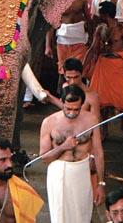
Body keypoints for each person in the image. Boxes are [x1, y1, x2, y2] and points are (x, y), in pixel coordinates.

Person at [39, 85, 105, 223]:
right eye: (68, 109)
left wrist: (100, 183)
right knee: (60, 215)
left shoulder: (91, 120)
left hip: (82, 169)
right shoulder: (49, 122)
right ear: (62, 103)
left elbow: (98, 152)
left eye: (76, 109)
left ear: (82, 105)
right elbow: (44, 158)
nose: (72, 113)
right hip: (59, 170)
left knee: (83, 214)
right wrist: (63, 147)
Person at [89, 1, 123, 136]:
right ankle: (104, 130)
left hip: (118, 66)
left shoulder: (122, 29)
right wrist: (98, 37)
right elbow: (94, 49)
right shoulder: (100, 29)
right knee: (102, 101)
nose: (98, 17)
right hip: (103, 65)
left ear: (106, 15)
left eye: (101, 14)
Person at [46, 0, 91, 78]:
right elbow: (51, 24)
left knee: (79, 70)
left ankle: (78, 90)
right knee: (63, 71)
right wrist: (47, 46)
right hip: (63, 41)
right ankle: (63, 90)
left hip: (80, 40)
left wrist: (91, 38)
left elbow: (88, 19)